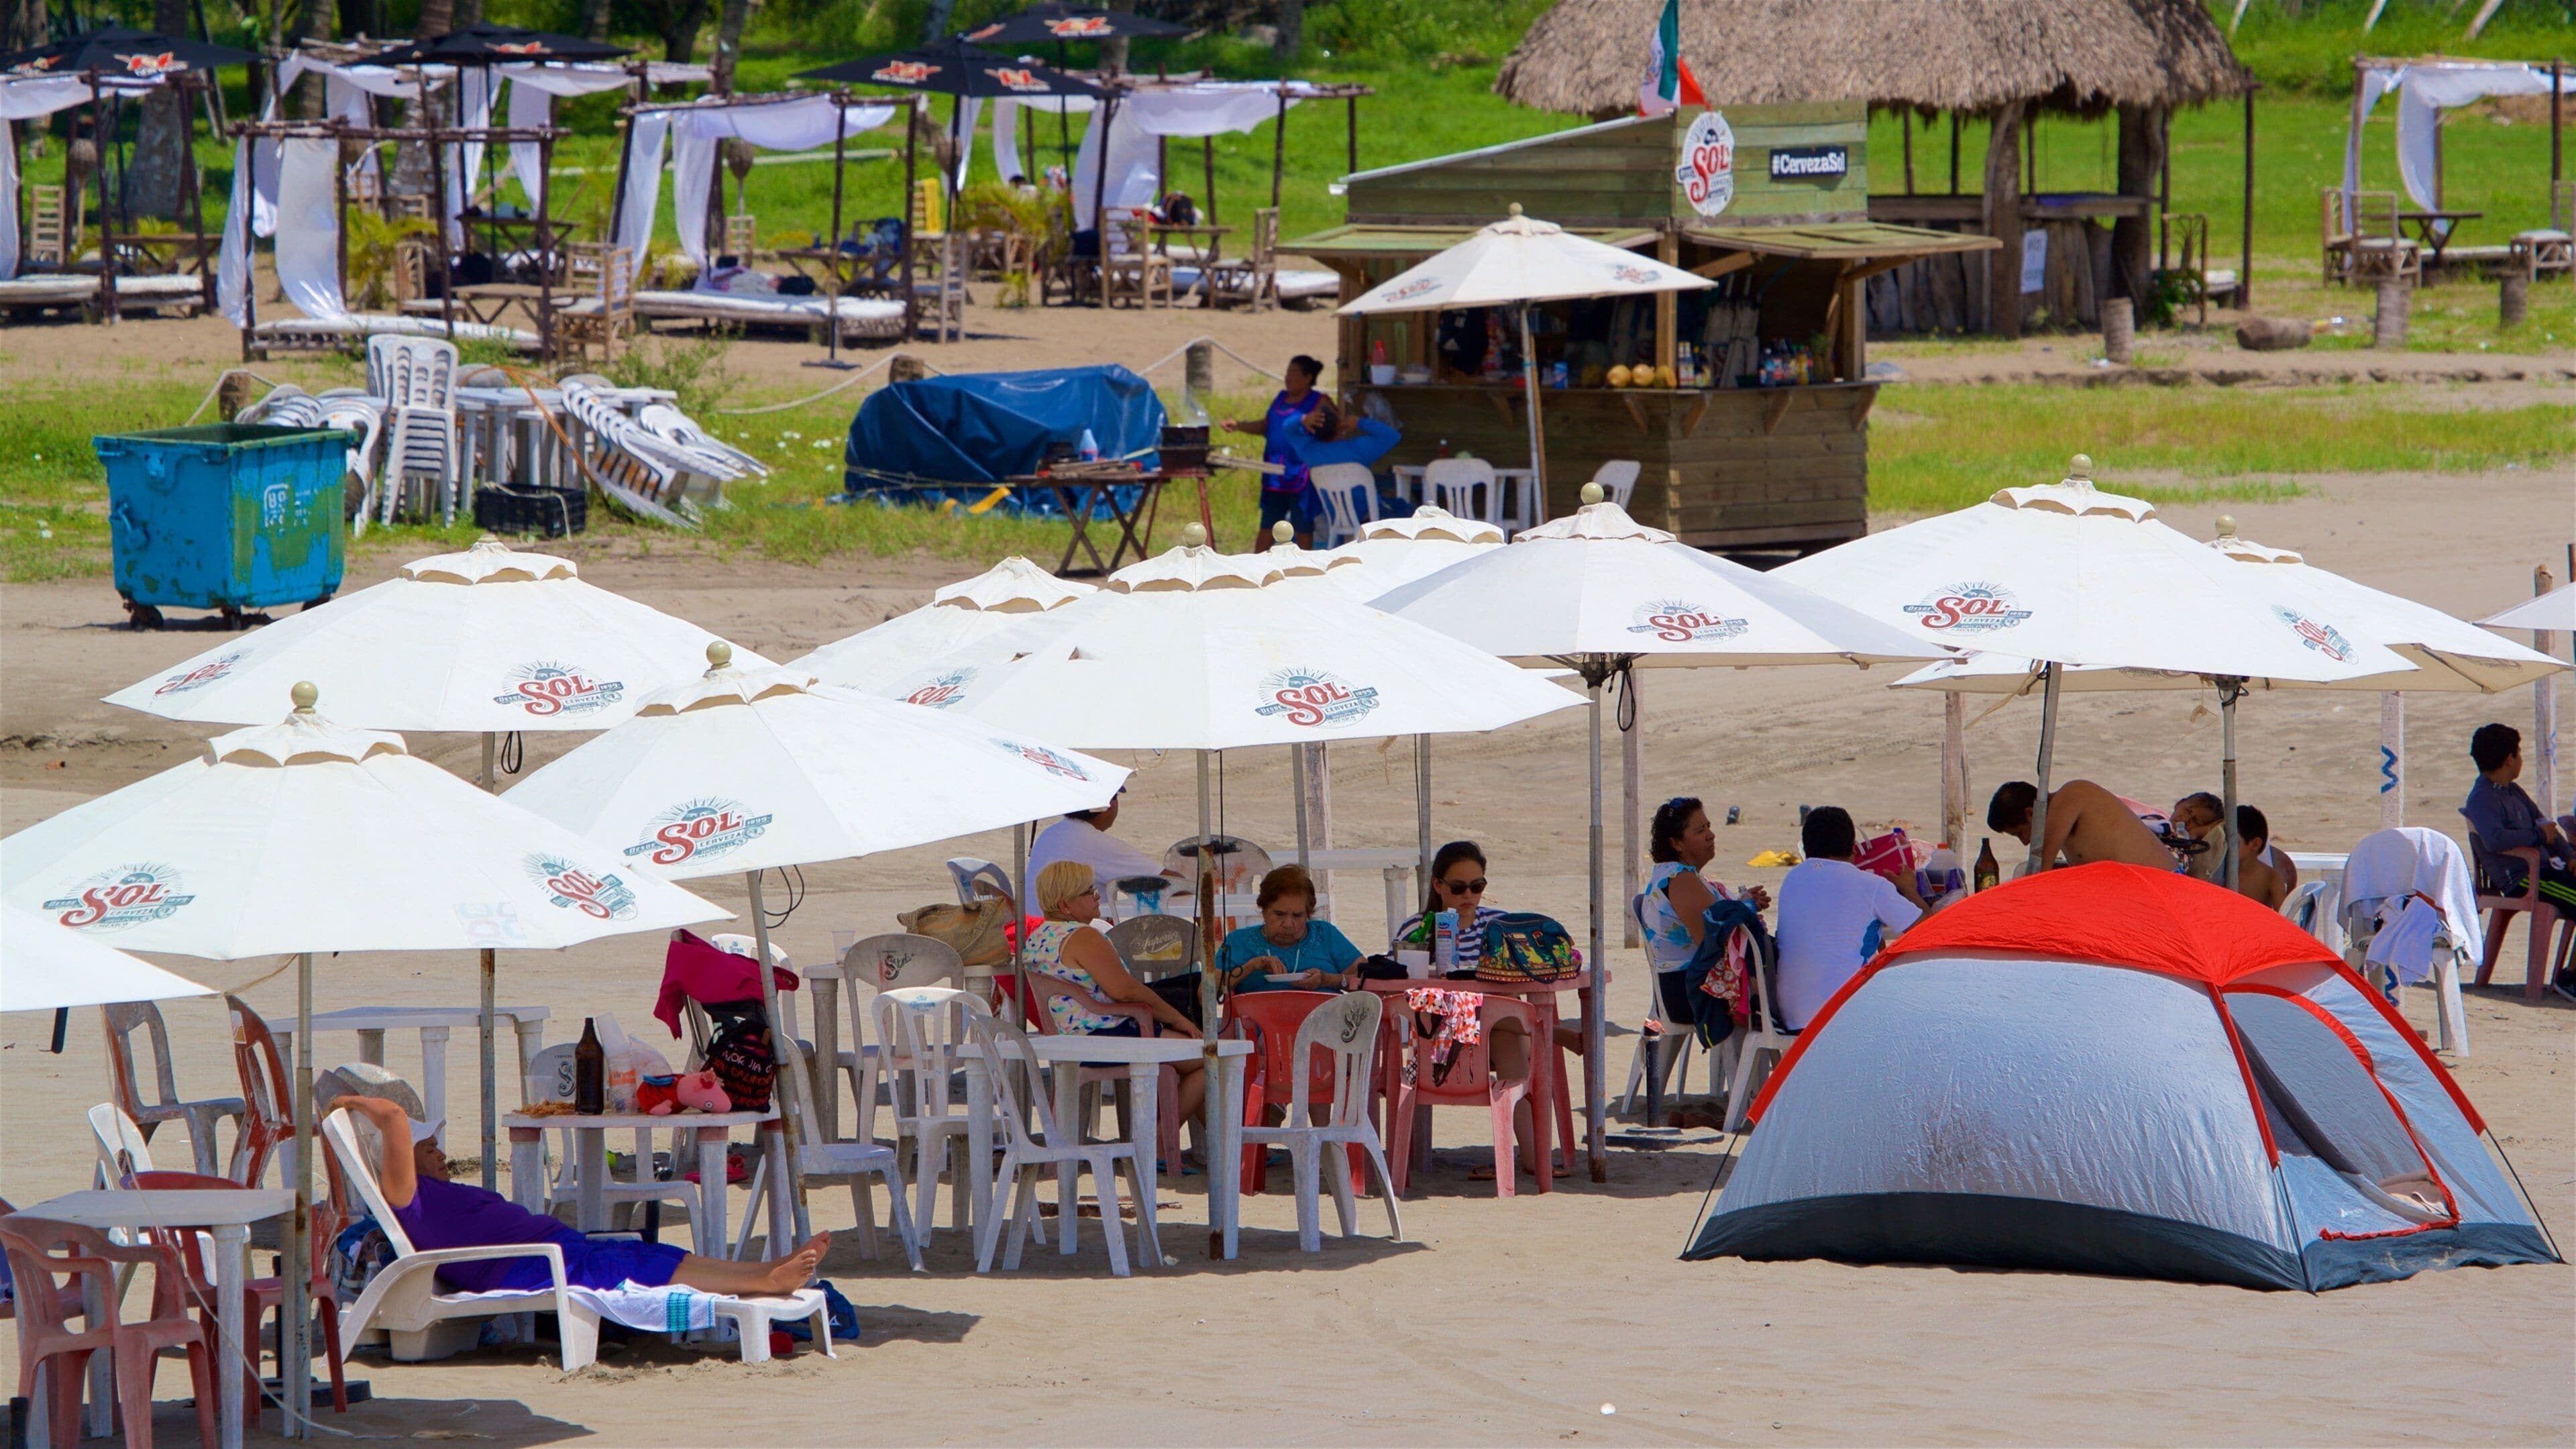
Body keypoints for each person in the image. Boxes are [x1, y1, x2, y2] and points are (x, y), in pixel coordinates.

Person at [335, 1095, 824, 1297]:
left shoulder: (431, 1192)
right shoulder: (408, 1197)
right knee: (634, 1263)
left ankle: (764, 1274)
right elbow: (394, 1116)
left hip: (550, 1252)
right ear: (402, 1160)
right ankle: (764, 1281)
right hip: (527, 1267)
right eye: (430, 1149)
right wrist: (341, 1106)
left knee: (643, 1252)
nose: (441, 1155)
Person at [1022, 861, 1208, 1122]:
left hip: (1071, 1037)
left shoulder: (1039, 936)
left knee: (1191, 1060)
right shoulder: (1081, 936)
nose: (1097, 897)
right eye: (1090, 893)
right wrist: (1177, 1018)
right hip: (1104, 1035)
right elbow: (1126, 992)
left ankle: (1211, 1147)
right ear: (1066, 905)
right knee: (1209, 1060)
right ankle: (1161, 1146)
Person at [1773, 806, 1923, 1030]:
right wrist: (1910, 889)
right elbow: (1926, 929)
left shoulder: (1793, 878)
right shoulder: (1870, 885)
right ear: (1854, 849)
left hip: (1793, 1019)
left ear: (1805, 848)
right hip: (1839, 1021)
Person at [1638, 797, 1770, 1022]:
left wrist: (1741, 904)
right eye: (1700, 830)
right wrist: (1744, 908)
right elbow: (1715, 941)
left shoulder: (1677, 875)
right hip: (1693, 992)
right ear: (1676, 843)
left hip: (1686, 986)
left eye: (1708, 826)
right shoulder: (1680, 879)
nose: (1711, 835)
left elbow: (1713, 921)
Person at [2463, 722, 2576, 920]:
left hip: (2547, 871)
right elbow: (2495, 839)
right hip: (2523, 879)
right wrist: (2539, 836)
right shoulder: (2482, 798)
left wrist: (2569, 857)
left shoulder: (2513, 791)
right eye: (2519, 753)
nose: (2521, 760)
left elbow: (2546, 826)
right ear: (2510, 759)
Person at [1221, 354, 1326, 551]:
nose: (1288, 377)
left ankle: (1306, 570)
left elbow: (1331, 428)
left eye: (1294, 373)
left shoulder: (1319, 401)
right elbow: (1266, 426)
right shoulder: (1280, 399)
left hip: (1302, 475)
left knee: (1303, 526)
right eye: (1287, 373)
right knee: (1268, 525)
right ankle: (1257, 569)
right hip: (1274, 475)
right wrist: (1238, 426)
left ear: (1308, 378)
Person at [1026, 787, 1181, 910]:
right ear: (1109, 805)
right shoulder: (1094, 842)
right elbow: (1174, 884)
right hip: (1070, 935)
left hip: (1036, 932)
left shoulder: (1051, 832)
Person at [1217, 865, 1363, 992]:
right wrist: (1252, 966)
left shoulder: (1325, 934)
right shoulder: (1238, 941)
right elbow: (1205, 995)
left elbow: (1372, 981)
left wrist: (1329, 980)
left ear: (1308, 914)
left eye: (1298, 916)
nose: (1288, 924)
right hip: (1258, 1023)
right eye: (1279, 914)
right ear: (1263, 910)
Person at [1987, 779, 2179, 871]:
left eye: (2020, 834)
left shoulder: (2071, 795)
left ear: (2030, 814)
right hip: (2141, 889)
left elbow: (2040, 870)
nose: (2025, 842)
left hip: (2164, 885)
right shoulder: (2059, 821)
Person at [2231, 805, 2289, 910]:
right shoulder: (2217, 872)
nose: (2226, 847)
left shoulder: (2271, 878)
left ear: (2255, 845)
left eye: (2234, 842)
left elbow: (2284, 919)